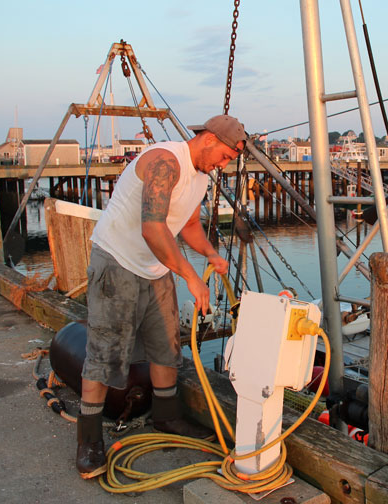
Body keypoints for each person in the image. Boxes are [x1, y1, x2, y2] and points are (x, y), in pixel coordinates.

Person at [75, 114, 246, 479]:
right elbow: (153, 228)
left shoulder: (201, 177)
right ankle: (88, 439)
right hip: (118, 261)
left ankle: (167, 418)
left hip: (155, 267)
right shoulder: (166, 161)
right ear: (209, 139)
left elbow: (187, 225)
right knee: (105, 352)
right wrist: (190, 277)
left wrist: (211, 254)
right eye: (226, 157)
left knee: (167, 346)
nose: (224, 165)